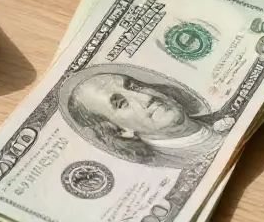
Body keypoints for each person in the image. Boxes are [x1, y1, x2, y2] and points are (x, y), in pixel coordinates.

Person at [60, 65, 229, 168]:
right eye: (121, 103)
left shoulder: (226, 114)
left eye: (134, 87)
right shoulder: (177, 167)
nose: (146, 97)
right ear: (121, 131)